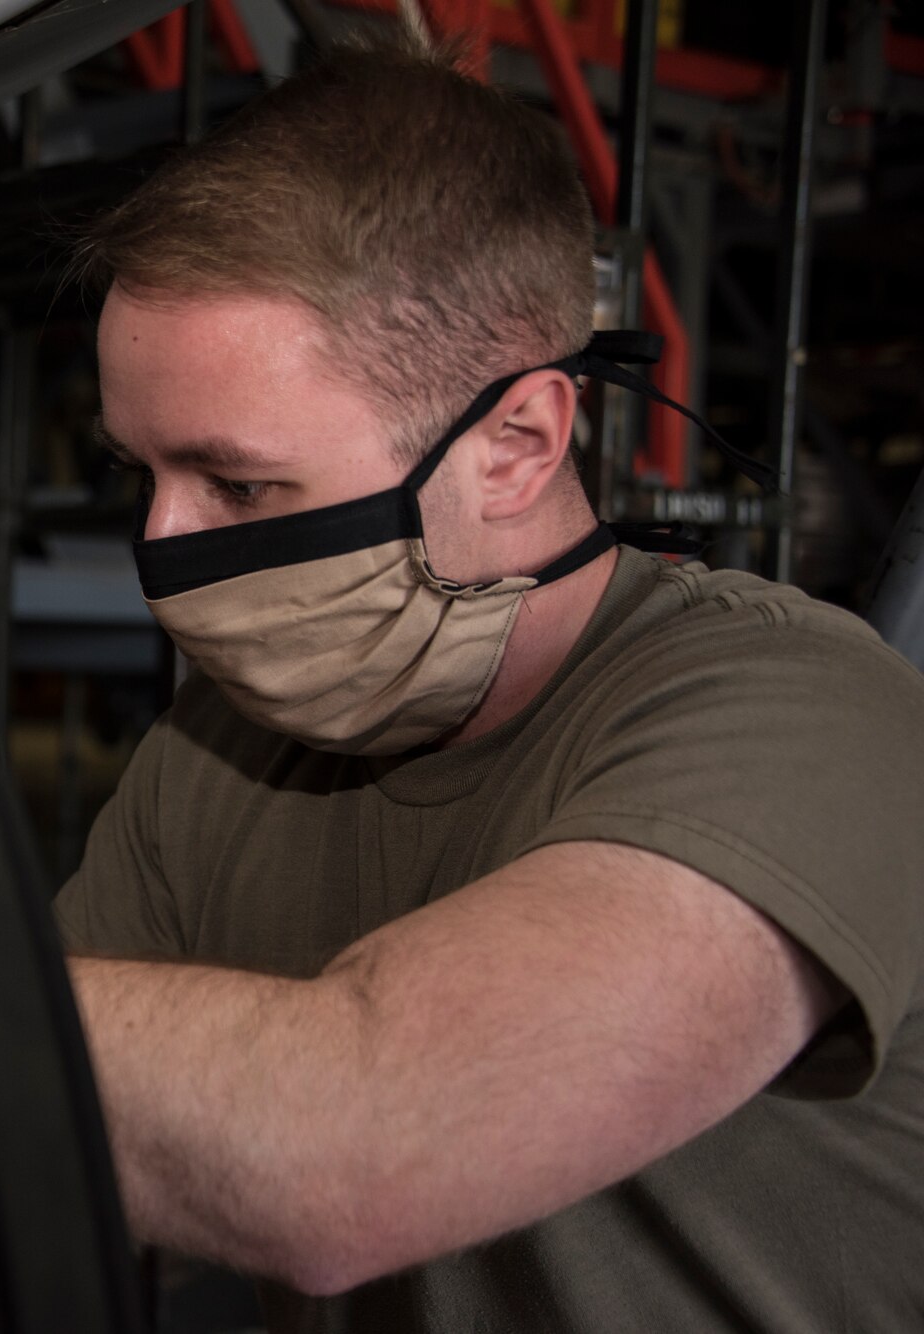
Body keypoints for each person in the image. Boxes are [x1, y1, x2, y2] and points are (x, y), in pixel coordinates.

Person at [56, 28, 924, 1332]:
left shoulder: (810, 720)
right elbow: (42, 1162)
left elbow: (352, 1148)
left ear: (515, 443)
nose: (163, 543)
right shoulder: (216, 751)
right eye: (145, 472)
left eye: (237, 481)